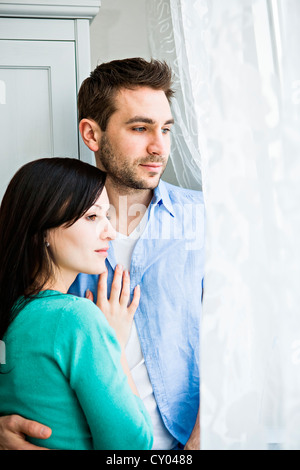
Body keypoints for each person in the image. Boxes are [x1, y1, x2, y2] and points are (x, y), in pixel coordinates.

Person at [0, 58, 204, 450]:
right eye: (140, 127)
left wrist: (202, 438)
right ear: (92, 134)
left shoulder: (205, 221)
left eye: (165, 129)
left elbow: (242, 336)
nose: (159, 147)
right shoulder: (52, 230)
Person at [0, 157, 153, 450]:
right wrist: (116, 347)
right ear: (44, 229)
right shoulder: (75, 318)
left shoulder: (14, 313)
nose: (109, 231)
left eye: (107, 216)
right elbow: (134, 447)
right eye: (92, 217)